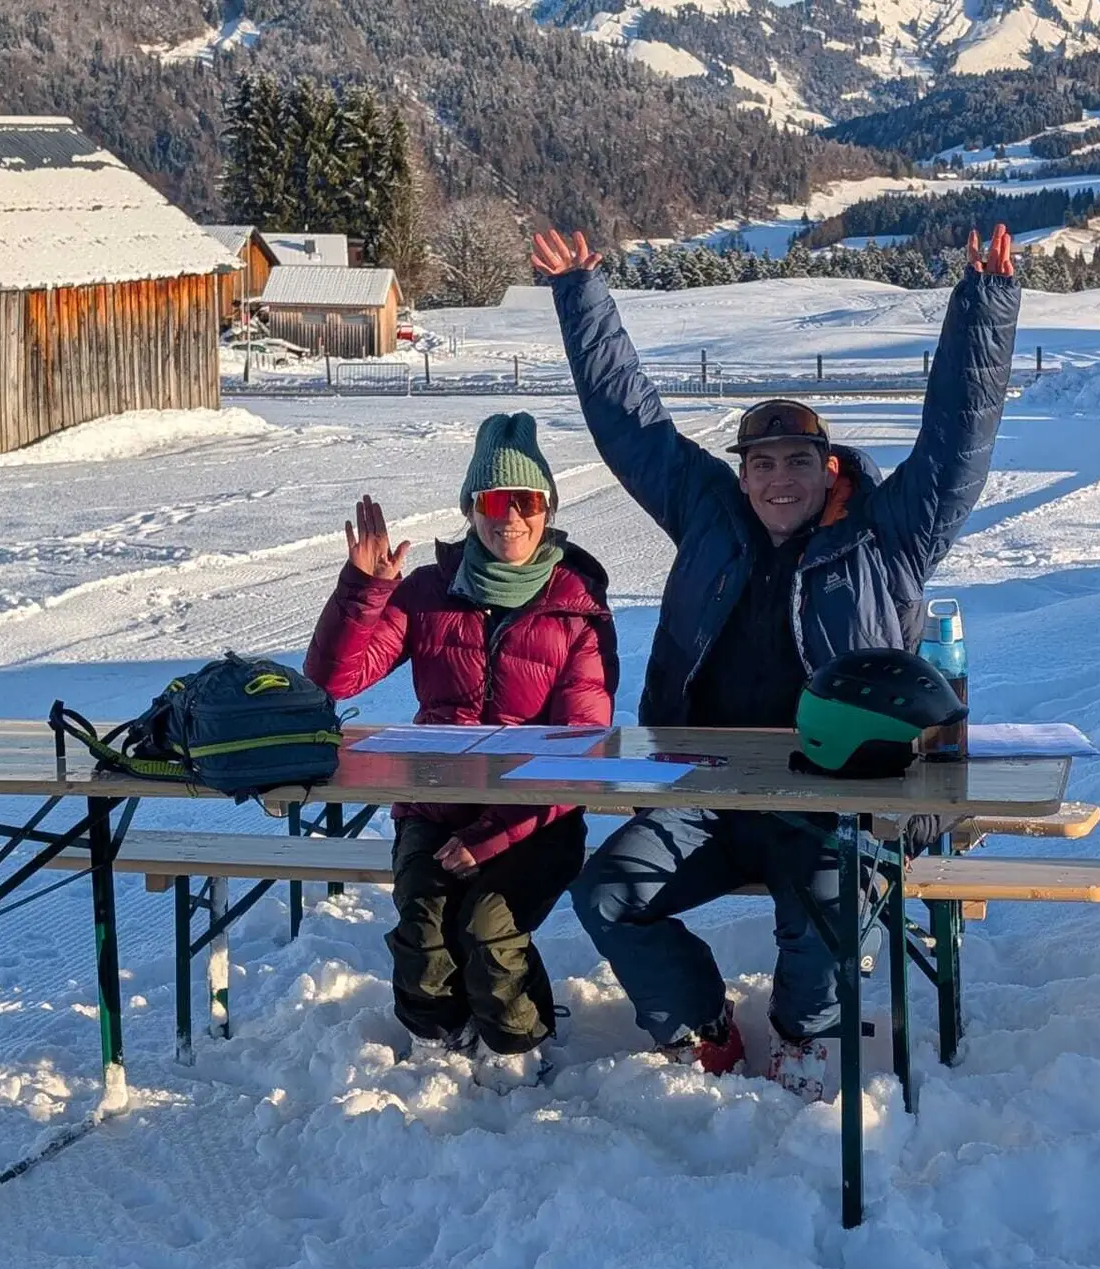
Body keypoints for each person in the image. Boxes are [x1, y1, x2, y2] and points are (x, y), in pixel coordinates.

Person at [530, 223, 1020, 1100]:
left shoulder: (887, 537)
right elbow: (631, 423)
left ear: (829, 469)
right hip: (710, 794)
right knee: (606, 892)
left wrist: (982, 305)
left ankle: (804, 1033)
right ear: (743, 474)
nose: (778, 480)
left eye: (799, 461)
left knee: (831, 907)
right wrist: (581, 295)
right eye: (762, 464)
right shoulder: (710, 518)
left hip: (833, 801)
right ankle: (703, 1025)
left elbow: (955, 446)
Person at [304, 412, 618, 1092]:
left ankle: (516, 1040)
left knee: (485, 923)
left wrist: (490, 836)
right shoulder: (426, 593)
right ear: (471, 510)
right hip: (435, 807)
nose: (510, 517)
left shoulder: (576, 606)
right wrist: (363, 592)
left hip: (537, 818)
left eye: (526, 501)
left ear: (548, 509)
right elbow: (335, 680)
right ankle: (438, 1034)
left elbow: (584, 749)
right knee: (423, 918)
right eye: (493, 501)